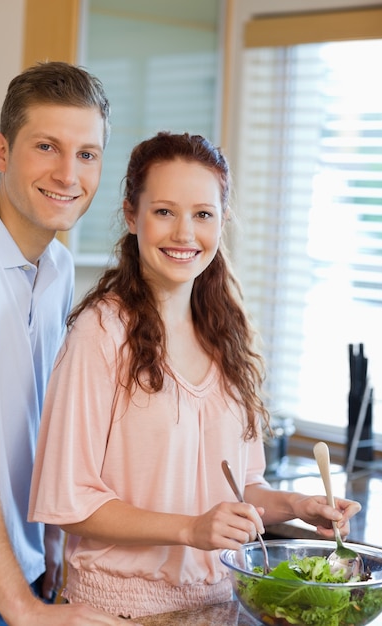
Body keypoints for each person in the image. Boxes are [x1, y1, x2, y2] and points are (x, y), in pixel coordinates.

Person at [28, 131, 361, 619]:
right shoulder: (100, 333)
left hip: (216, 605)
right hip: (115, 611)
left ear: (221, 222)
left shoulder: (227, 334)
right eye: (164, 211)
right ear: (131, 216)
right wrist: (189, 528)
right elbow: (70, 501)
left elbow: (237, 492)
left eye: (203, 215)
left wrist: (296, 505)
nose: (185, 234)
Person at [0, 61, 142, 626]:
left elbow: (37, 417)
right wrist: (21, 608)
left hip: (22, 576)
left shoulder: (60, 266)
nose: (69, 174)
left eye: (87, 154)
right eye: (46, 146)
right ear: (1, 150)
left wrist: (52, 550)